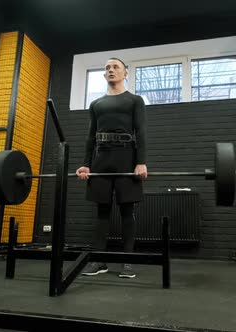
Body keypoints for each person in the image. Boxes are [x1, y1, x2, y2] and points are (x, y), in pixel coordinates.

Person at [76, 57, 147, 279]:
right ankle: (99, 260)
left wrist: (141, 161)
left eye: (116, 67)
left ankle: (128, 261)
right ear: (105, 75)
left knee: (127, 211)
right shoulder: (96, 105)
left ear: (125, 73)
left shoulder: (135, 100)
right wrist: (86, 164)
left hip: (127, 158)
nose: (111, 70)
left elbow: (141, 132)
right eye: (107, 68)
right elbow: (90, 137)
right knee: (102, 213)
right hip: (101, 160)